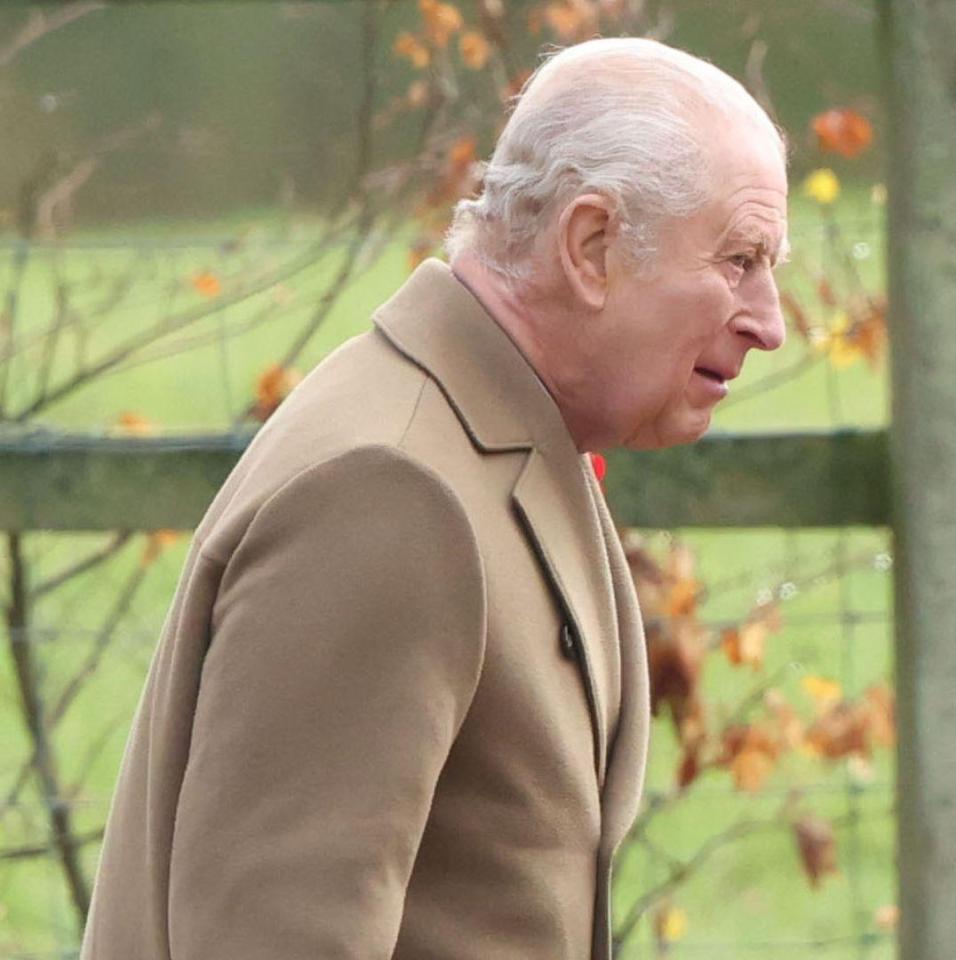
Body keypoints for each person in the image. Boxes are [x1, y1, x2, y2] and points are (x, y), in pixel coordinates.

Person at [81, 36, 789, 960]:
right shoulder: (392, 488)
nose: (770, 322)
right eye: (738, 260)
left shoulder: (493, 438)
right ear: (590, 246)